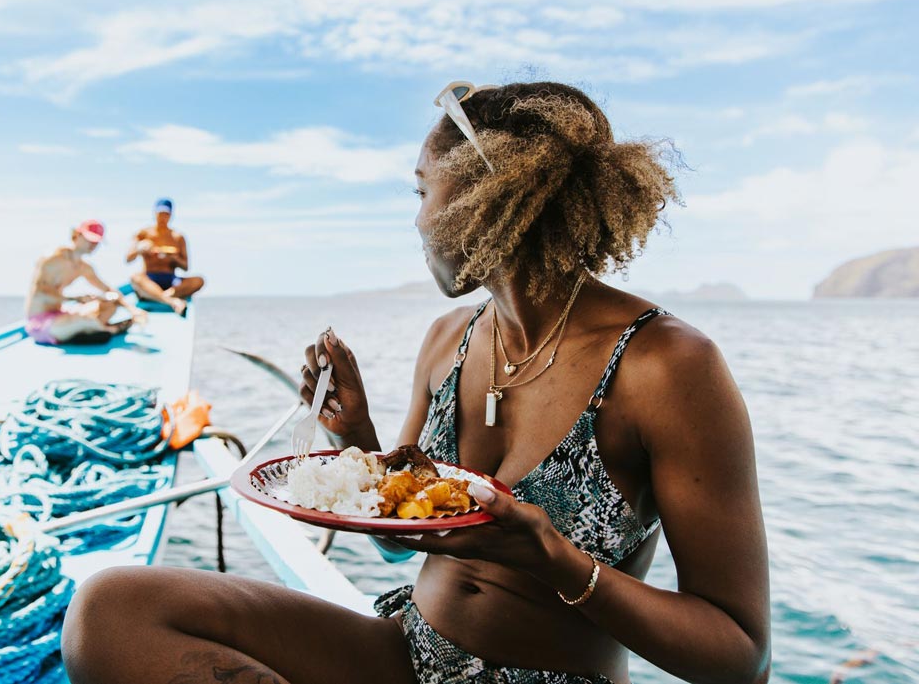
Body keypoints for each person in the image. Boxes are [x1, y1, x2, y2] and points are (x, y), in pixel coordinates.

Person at [60, 83, 771, 684]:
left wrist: (556, 562)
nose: (418, 218)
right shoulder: (448, 341)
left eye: (423, 190)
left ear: (484, 197)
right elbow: (399, 544)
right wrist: (355, 438)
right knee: (113, 610)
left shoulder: (665, 365)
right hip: (408, 655)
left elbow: (742, 656)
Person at [25, 219, 147, 346]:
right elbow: (40, 292)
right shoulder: (52, 259)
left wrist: (133, 310)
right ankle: (111, 329)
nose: (93, 244)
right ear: (77, 235)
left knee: (109, 304)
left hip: (63, 314)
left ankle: (91, 330)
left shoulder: (84, 267)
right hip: (41, 322)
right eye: (90, 239)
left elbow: (108, 290)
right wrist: (76, 298)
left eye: (97, 241)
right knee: (82, 321)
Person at [127, 198, 205, 316]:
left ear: (171, 215)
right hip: (150, 278)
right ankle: (172, 301)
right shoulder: (143, 234)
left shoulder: (178, 237)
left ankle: (159, 296)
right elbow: (128, 258)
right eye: (160, 214)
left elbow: (185, 267)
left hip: (171, 281)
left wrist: (173, 257)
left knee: (199, 280)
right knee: (135, 277)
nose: (162, 218)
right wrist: (139, 249)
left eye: (166, 214)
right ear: (155, 213)